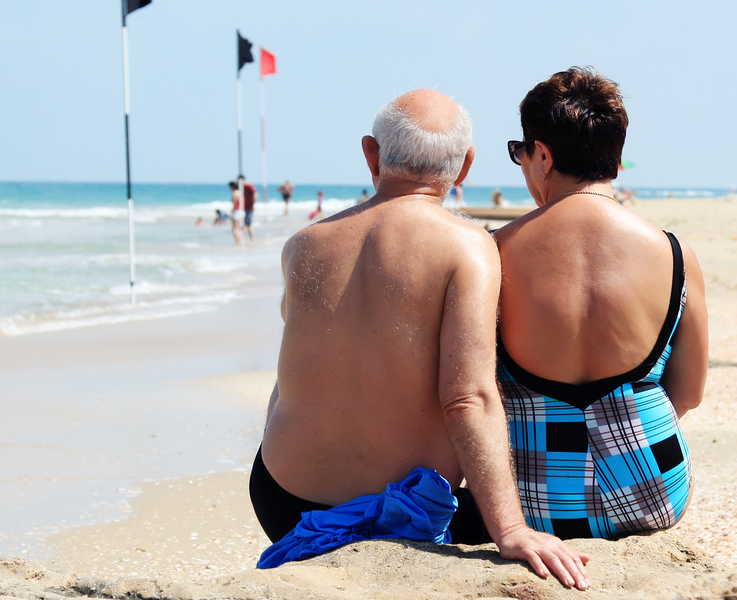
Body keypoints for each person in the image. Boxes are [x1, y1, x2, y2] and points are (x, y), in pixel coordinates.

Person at [251, 89, 590, 588]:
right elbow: (468, 397)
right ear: (465, 166)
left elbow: (292, 376)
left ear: (371, 153)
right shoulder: (467, 246)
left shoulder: (303, 244)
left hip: (282, 495)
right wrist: (512, 529)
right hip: (404, 512)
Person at [495, 67, 708, 540]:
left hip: (535, 503)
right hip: (655, 489)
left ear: (543, 156)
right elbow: (689, 393)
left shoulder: (492, 253)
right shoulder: (676, 253)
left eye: (520, 153)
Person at [238, 174, 257, 242]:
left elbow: (255, 194)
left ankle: (247, 238)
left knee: (247, 224)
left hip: (250, 207)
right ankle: (250, 239)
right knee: (248, 224)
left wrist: (253, 204)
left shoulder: (249, 186)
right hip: (246, 207)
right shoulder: (243, 187)